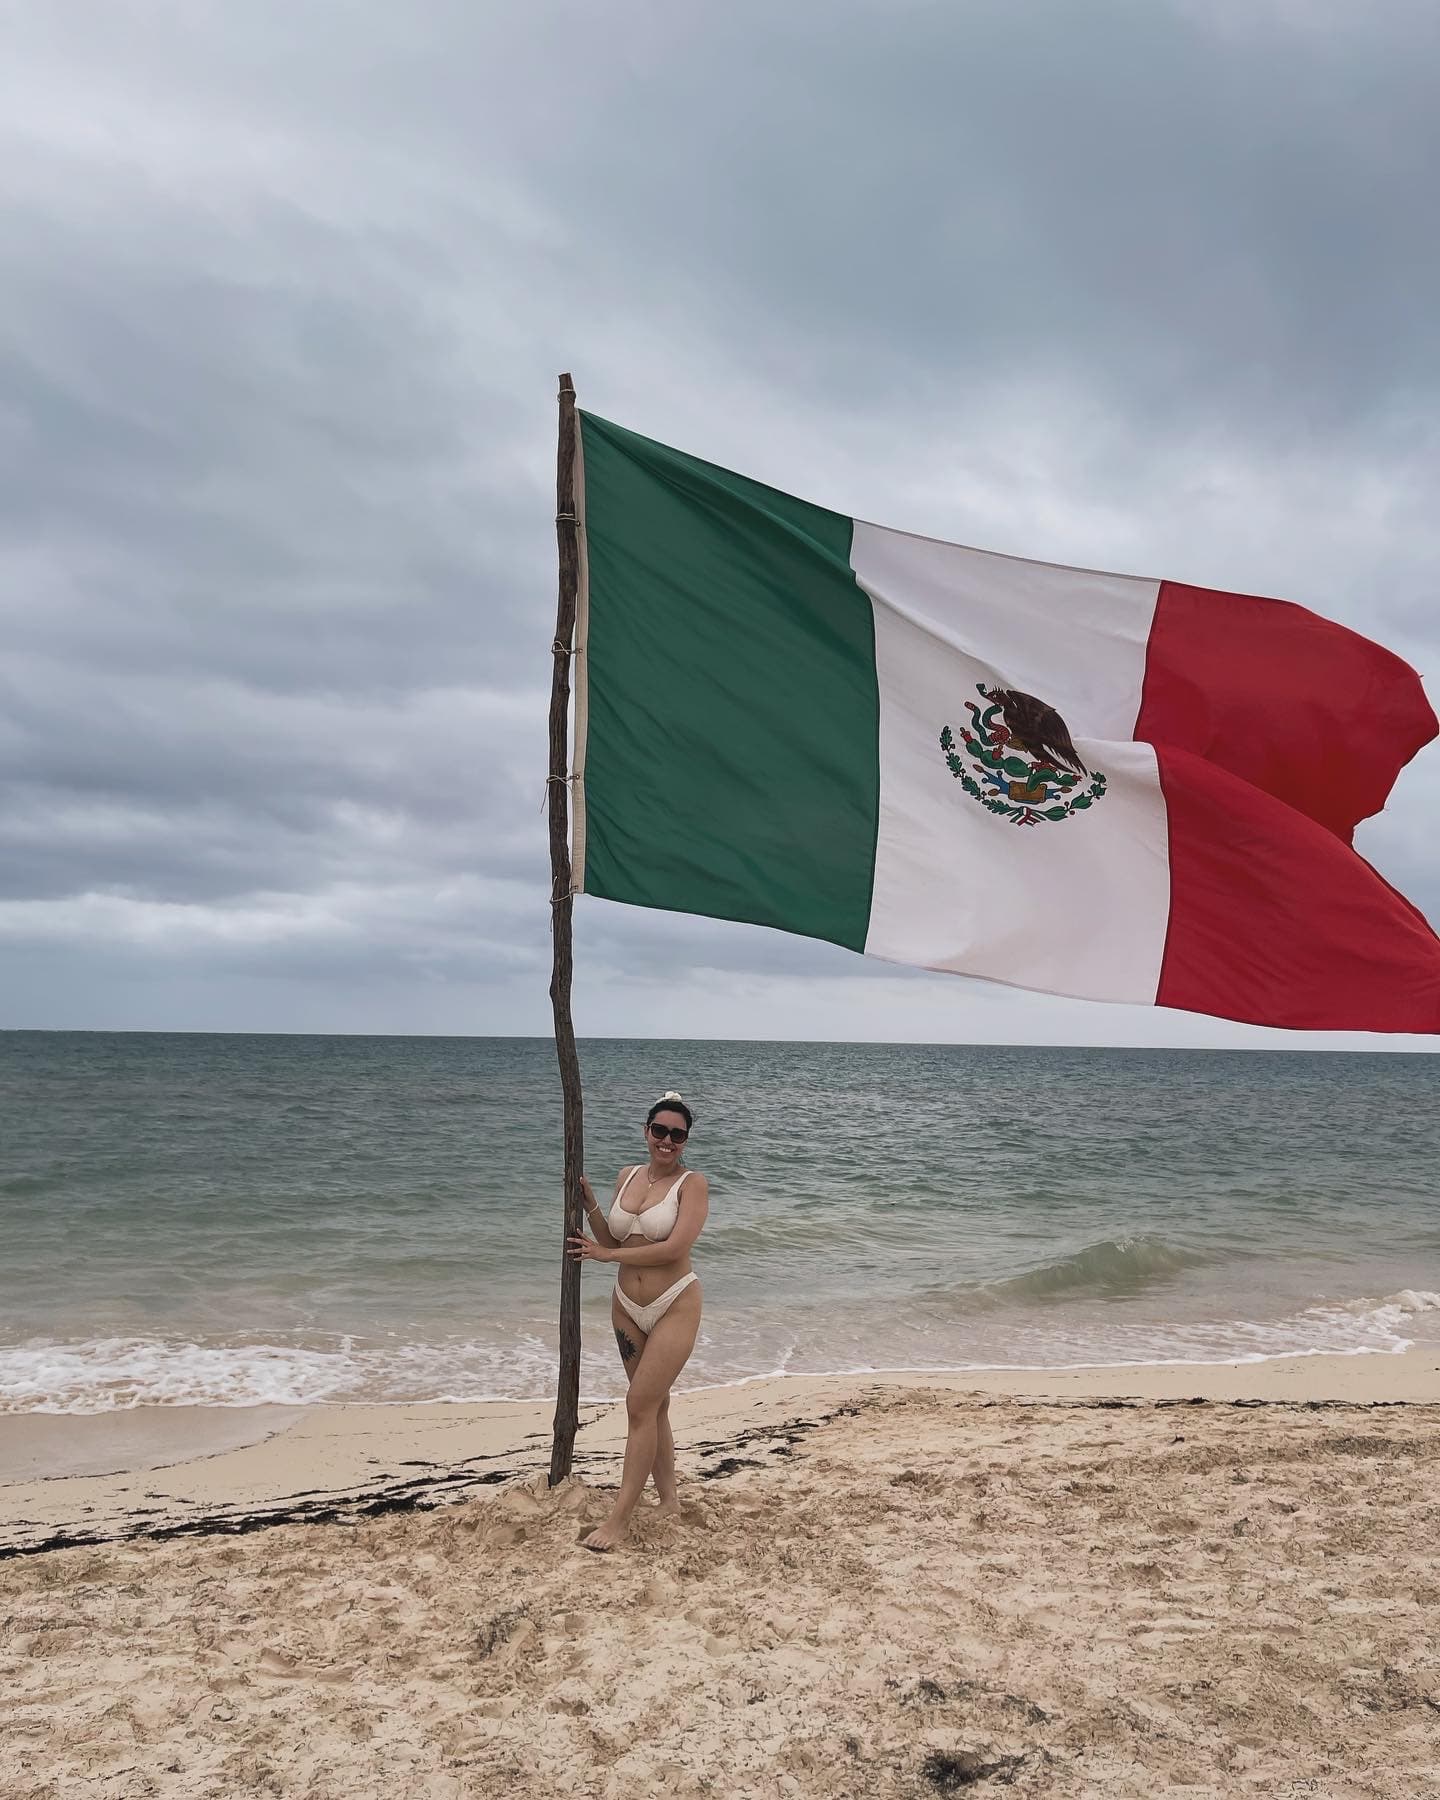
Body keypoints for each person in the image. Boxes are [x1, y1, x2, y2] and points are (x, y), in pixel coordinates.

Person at [567, 1091, 709, 1552]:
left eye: (677, 1134)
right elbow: (617, 1238)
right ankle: (668, 1500)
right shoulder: (626, 1175)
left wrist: (604, 1254)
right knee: (655, 1406)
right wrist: (591, 1207)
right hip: (626, 1305)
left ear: (686, 1141)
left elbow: (672, 1248)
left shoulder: (693, 1184)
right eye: (660, 1130)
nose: (667, 1140)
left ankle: (619, 1521)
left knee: (638, 1406)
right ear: (647, 1131)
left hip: (674, 1303)